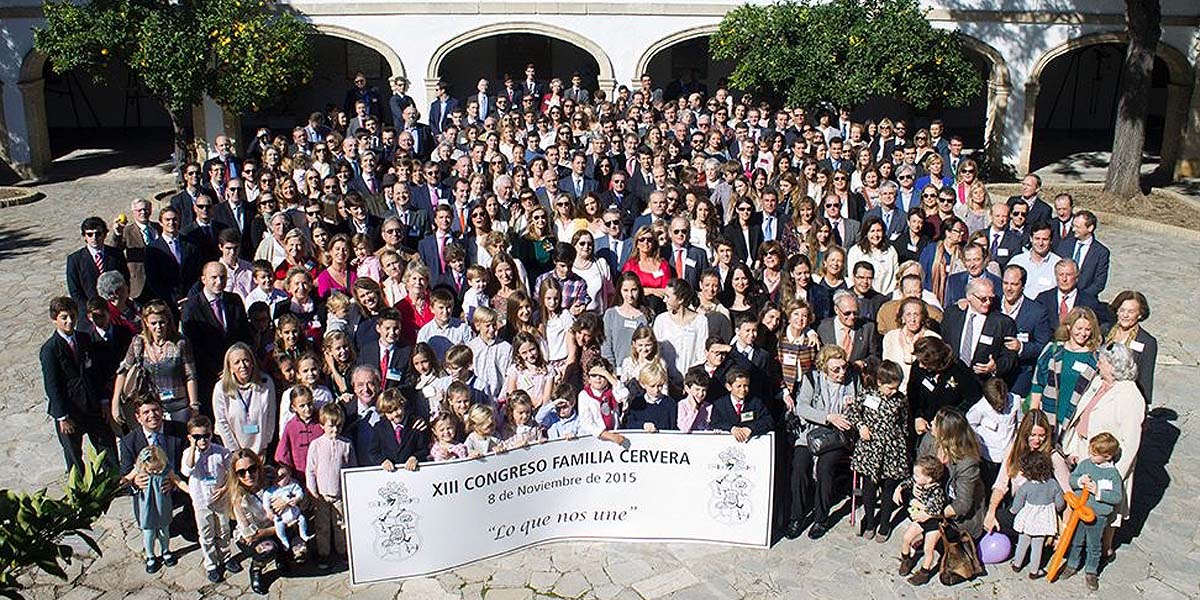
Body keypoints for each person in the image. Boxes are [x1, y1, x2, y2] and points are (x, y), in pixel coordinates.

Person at [1059, 343, 1145, 555]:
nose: (1098, 364)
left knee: (1105, 513)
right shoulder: (1100, 382)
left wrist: (1113, 474)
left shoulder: (1130, 396)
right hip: (1083, 451)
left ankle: (1102, 551)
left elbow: (1131, 442)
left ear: (1114, 366)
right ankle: (1072, 545)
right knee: (1078, 501)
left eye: (1103, 362)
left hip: (1106, 463)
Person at [788, 345, 859, 539]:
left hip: (837, 436)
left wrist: (847, 417)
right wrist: (828, 417)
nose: (841, 373)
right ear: (824, 369)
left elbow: (859, 407)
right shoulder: (812, 379)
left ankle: (821, 518)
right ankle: (797, 516)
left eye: (843, 367)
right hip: (812, 433)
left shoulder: (853, 380)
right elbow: (802, 408)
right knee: (800, 466)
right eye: (836, 369)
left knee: (826, 468)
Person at [909, 407, 987, 582]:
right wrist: (916, 487)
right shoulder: (930, 440)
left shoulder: (967, 463)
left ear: (947, 433)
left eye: (936, 423)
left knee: (950, 565)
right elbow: (920, 467)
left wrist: (931, 513)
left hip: (957, 516)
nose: (931, 424)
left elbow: (962, 505)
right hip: (935, 499)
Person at [845, 359, 910, 542]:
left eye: (896, 388)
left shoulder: (900, 400)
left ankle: (884, 524)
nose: (893, 391)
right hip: (870, 448)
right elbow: (853, 413)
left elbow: (904, 423)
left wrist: (901, 443)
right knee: (869, 487)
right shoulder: (867, 395)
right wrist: (861, 426)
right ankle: (871, 522)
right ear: (880, 382)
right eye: (890, 388)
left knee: (888, 488)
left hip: (891, 449)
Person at [113, 301, 200, 424]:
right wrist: (115, 403)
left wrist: (194, 405)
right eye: (154, 323)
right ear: (146, 323)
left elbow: (190, 375)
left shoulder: (180, 343)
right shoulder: (138, 343)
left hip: (179, 406)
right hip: (152, 408)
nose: (158, 327)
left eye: (162, 322)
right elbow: (123, 370)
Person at [182, 262, 252, 411]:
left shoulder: (235, 301)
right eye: (214, 277)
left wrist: (235, 366)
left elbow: (244, 335)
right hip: (209, 375)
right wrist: (219, 369)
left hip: (236, 372)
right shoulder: (192, 306)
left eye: (222, 277)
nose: (219, 282)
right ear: (203, 279)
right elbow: (193, 345)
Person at [1061, 433, 1125, 592]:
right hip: (1080, 511)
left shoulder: (1112, 474)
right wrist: (1079, 481)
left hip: (1098, 516)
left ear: (1107, 456)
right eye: (1090, 452)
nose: (1091, 456)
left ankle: (1091, 571)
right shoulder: (1085, 464)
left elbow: (1117, 497)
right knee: (1076, 540)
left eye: (1095, 454)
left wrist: (1098, 492)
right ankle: (1072, 564)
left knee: (1094, 544)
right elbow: (1072, 479)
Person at [216, 449, 286, 594]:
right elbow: (250, 534)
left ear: (258, 466)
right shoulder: (238, 496)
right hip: (255, 535)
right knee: (268, 549)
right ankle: (256, 569)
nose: (248, 475)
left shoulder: (270, 478)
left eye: (252, 468)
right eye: (242, 472)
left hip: (275, 527)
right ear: (236, 475)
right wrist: (272, 530)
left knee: (300, 550)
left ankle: (283, 555)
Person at [180, 414, 238, 582]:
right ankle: (211, 563)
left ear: (211, 434)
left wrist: (224, 489)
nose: (203, 440)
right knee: (206, 533)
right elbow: (186, 471)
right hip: (201, 502)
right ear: (191, 437)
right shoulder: (188, 454)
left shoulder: (221, 452)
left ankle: (225, 557)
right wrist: (192, 447)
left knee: (223, 530)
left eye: (206, 435)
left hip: (219, 499)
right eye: (197, 437)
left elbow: (231, 474)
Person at [1029, 306, 1101, 429]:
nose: (1083, 333)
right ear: (1069, 327)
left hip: (1076, 421)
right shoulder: (1053, 351)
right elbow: (1038, 384)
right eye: (1079, 328)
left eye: (1088, 329)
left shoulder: (1095, 357)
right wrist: (1033, 416)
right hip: (1049, 417)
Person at [306, 403, 356, 570]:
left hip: (339, 494)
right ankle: (324, 554)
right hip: (321, 495)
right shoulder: (316, 445)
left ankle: (342, 552)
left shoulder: (346, 444)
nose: (335, 430)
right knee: (322, 526)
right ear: (322, 425)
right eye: (331, 426)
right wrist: (313, 492)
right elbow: (310, 470)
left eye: (339, 426)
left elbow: (351, 468)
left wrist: (349, 490)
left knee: (341, 525)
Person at [939, 277, 1018, 382]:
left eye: (991, 298)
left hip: (984, 383)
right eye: (983, 299)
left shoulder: (1003, 323)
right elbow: (942, 344)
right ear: (969, 296)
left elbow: (1010, 357)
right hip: (952, 380)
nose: (988, 302)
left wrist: (995, 367)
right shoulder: (952, 315)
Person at [906, 337, 981, 438]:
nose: (920, 366)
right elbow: (913, 395)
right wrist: (918, 416)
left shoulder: (958, 369)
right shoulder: (918, 368)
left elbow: (974, 398)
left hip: (950, 429)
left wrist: (947, 419)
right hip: (925, 427)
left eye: (924, 363)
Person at [130, 444, 188, 574]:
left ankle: (166, 551)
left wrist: (190, 491)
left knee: (164, 530)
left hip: (162, 504)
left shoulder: (166, 469)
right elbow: (128, 478)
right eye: (152, 470)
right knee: (148, 533)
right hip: (147, 506)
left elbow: (177, 480)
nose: (155, 472)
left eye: (157, 469)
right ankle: (150, 555)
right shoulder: (139, 469)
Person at [1007, 451, 1065, 579]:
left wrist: (1013, 511)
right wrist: (1055, 509)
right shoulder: (1053, 484)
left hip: (1028, 518)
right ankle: (1034, 571)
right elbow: (1060, 503)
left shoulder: (1026, 486)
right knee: (1038, 545)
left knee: (1023, 541)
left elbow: (1017, 504)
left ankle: (1017, 564)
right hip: (1044, 519)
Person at [998, 264, 1053, 396]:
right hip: (993, 372)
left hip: (1019, 374)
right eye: (1005, 283)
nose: (1009, 288)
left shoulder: (1037, 312)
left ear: (1022, 286)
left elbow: (1043, 347)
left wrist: (1022, 347)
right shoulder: (992, 304)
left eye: (1014, 284)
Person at [212, 343, 277, 454]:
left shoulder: (266, 382)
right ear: (230, 367)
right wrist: (235, 451)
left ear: (252, 363)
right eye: (237, 362)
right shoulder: (221, 388)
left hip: (261, 448)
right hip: (232, 449)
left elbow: (271, 417)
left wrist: (264, 445)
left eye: (246, 360)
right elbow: (222, 422)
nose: (242, 365)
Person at [894, 455, 949, 585]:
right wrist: (899, 488)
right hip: (920, 519)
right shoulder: (919, 481)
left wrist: (920, 506)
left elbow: (937, 509)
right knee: (907, 538)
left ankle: (925, 572)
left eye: (917, 475)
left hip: (933, 523)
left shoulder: (937, 491)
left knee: (928, 549)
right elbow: (909, 481)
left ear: (929, 479)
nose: (915, 477)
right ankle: (906, 559)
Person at [654, 279, 709, 388]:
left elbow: (702, 354)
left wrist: (689, 380)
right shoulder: (661, 320)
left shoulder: (700, 321)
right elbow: (656, 353)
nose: (664, 300)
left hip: (690, 384)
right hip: (665, 384)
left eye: (668, 297)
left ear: (680, 299)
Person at [66, 216, 130, 308]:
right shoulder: (75, 259)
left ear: (104, 234)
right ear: (84, 236)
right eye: (90, 234)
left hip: (116, 308)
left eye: (98, 234)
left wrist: (121, 302)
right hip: (90, 312)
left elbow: (125, 279)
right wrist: (89, 310)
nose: (94, 237)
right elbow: (75, 291)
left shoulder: (116, 254)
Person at [1105, 290, 1157, 403]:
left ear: (1140, 315)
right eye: (1122, 310)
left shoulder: (1147, 342)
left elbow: (1146, 377)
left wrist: (1143, 405)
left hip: (1125, 396)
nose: (1125, 315)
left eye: (1131, 311)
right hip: (1100, 389)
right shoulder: (1105, 331)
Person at [881, 297, 941, 389]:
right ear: (902, 318)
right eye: (908, 314)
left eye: (916, 314)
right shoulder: (890, 337)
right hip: (895, 392)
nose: (912, 319)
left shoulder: (933, 339)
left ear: (922, 317)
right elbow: (886, 369)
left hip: (922, 392)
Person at [817, 290, 880, 368]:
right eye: (847, 313)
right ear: (836, 309)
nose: (852, 317)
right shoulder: (823, 327)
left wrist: (864, 363)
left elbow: (876, 357)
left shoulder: (868, 328)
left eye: (855, 313)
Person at [1056, 210, 1109, 297]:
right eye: (1073, 226)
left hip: (1085, 299)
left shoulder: (1101, 252)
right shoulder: (1065, 244)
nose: (1073, 229)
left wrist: (1080, 297)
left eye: (1078, 227)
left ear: (1090, 228)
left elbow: (1099, 283)